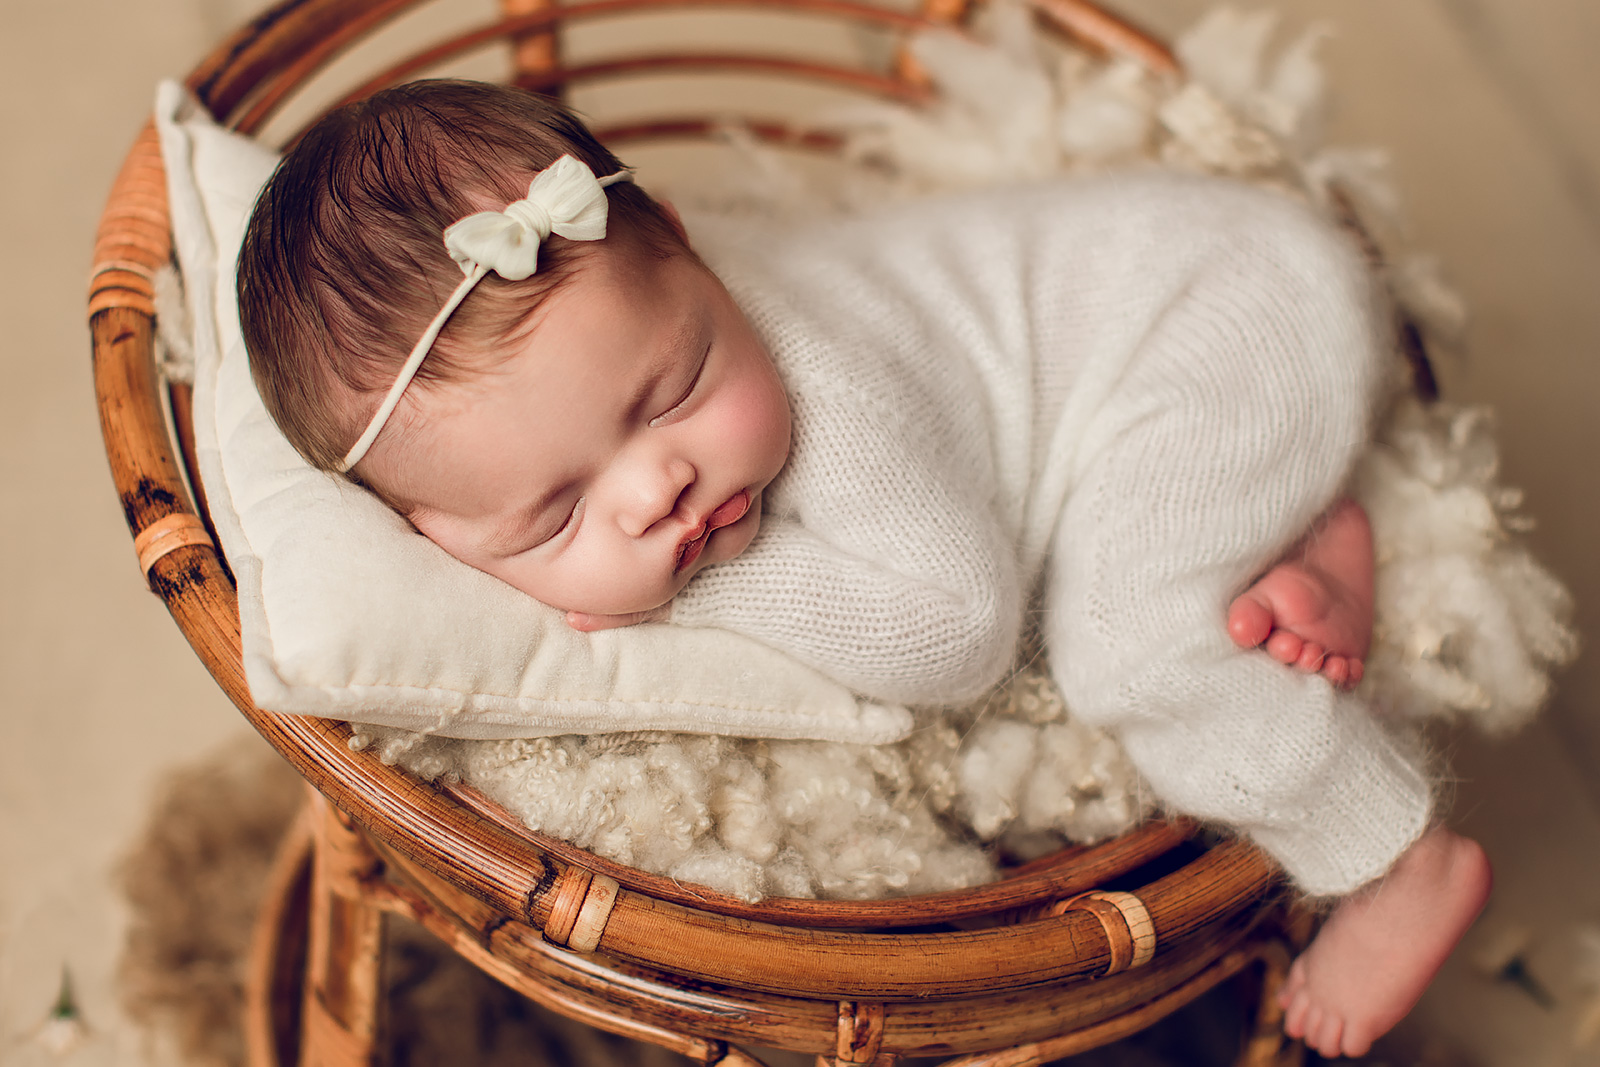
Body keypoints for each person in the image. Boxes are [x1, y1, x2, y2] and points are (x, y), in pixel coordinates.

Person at [238, 79, 1490, 1057]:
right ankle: (1298, 522)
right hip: (1183, 371)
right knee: (1153, 554)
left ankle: (1397, 854)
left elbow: (956, 629)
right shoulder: (644, 331)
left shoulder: (821, 378)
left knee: (1128, 638)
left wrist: (704, 585)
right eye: (557, 510)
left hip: (1221, 318)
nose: (655, 486)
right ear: (435, 543)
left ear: (685, 250)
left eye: (674, 389)